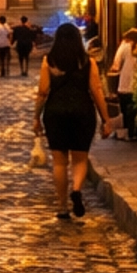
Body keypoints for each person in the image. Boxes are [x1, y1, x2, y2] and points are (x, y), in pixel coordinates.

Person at [34, 21, 110, 221]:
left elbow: (43, 92)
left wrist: (36, 118)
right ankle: (76, 189)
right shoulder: (88, 62)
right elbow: (96, 90)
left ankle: (61, 206)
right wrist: (106, 118)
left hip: (56, 112)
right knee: (80, 158)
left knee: (59, 162)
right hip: (82, 111)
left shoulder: (48, 62)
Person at [109, 29, 137, 140]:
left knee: (126, 110)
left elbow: (116, 64)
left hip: (125, 84)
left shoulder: (125, 46)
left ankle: (129, 132)